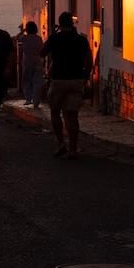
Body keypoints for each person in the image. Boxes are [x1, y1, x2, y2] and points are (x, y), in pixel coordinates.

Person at [40, 11, 92, 160]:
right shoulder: (81, 40)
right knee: (72, 115)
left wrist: (51, 34)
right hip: (76, 80)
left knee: (55, 112)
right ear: (72, 23)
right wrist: (85, 77)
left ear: (60, 23)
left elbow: (42, 52)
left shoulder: (54, 38)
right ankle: (73, 149)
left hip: (59, 80)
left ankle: (61, 143)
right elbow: (89, 60)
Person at [17, 21, 44, 108]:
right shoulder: (39, 38)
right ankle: (36, 101)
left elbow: (18, 37)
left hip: (27, 61)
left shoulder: (25, 38)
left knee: (26, 81)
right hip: (37, 61)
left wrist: (23, 30)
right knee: (37, 82)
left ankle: (28, 98)